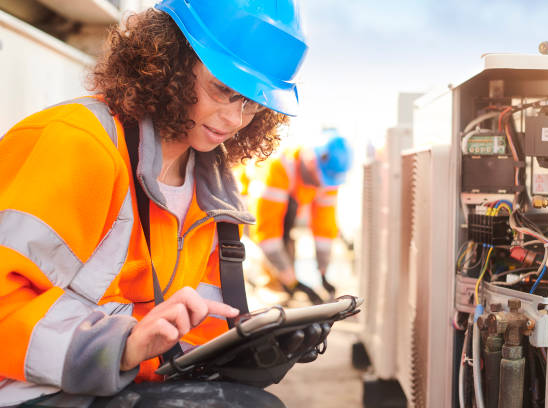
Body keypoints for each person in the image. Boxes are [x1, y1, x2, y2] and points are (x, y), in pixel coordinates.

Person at [0, 0, 309, 406]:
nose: (235, 119)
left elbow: (194, 333)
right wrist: (122, 346)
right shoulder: (77, 144)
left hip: (119, 385)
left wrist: (246, 349)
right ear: (171, 61)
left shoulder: (213, 192)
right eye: (222, 89)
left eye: (251, 103)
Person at [247, 128, 352, 304]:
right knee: (274, 249)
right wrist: (292, 281)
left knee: (288, 229)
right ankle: (268, 285)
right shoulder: (277, 166)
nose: (322, 185)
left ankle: (283, 284)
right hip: (246, 210)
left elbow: (324, 229)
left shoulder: (327, 178)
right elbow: (266, 232)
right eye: (322, 178)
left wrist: (323, 274)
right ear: (311, 160)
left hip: (281, 215)